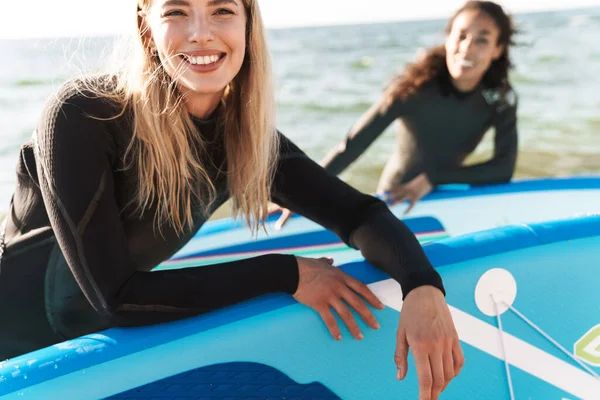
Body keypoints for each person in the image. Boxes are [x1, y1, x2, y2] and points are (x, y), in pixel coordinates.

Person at [0, 1, 463, 398]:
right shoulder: (83, 114)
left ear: (247, 23)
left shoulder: (243, 139)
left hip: (93, 361)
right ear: (147, 27)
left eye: (222, 9)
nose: (201, 34)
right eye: (177, 11)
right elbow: (115, 296)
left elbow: (356, 212)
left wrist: (421, 286)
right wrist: (288, 272)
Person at [273, 0, 518, 228]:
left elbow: (503, 168)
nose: (466, 48)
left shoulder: (499, 100)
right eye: (461, 36)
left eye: (482, 40)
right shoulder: (414, 89)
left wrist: (433, 178)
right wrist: (302, 193)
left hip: (445, 200)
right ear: (447, 39)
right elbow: (353, 144)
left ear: (498, 49)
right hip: (394, 202)